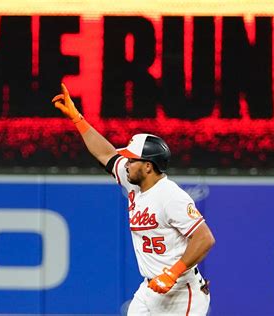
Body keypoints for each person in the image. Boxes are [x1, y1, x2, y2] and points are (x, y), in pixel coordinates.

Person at [52, 83, 216, 315]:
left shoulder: (170, 196)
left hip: (181, 291)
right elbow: (105, 153)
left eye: (132, 160)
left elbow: (204, 238)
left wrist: (173, 272)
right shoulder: (134, 182)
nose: (126, 163)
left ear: (148, 166)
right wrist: (78, 119)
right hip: (149, 289)